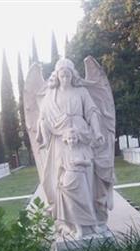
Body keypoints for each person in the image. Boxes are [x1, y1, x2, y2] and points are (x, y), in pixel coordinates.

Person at [36, 59, 104, 235]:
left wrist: (97, 132)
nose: (65, 77)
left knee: (85, 182)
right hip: (60, 143)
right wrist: (43, 137)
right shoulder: (51, 95)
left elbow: (92, 112)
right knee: (62, 183)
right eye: (62, 74)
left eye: (68, 73)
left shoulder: (81, 91)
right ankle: (69, 223)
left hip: (81, 139)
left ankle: (90, 222)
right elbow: (42, 119)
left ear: (73, 75)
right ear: (57, 76)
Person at [56, 128, 97, 239]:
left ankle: (93, 225)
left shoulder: (82, 149)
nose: (72, 140)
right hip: (68, 180)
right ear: (66, 139)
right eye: (69, 138)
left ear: (77, 138)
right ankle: (78, 229)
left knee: (86, 202)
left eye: (74, 138)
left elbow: (89, 162)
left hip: (80, 178)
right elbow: (60, 167)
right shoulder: (63, 152)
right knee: (72, 207)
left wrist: (81, 162)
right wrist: (59, 179)